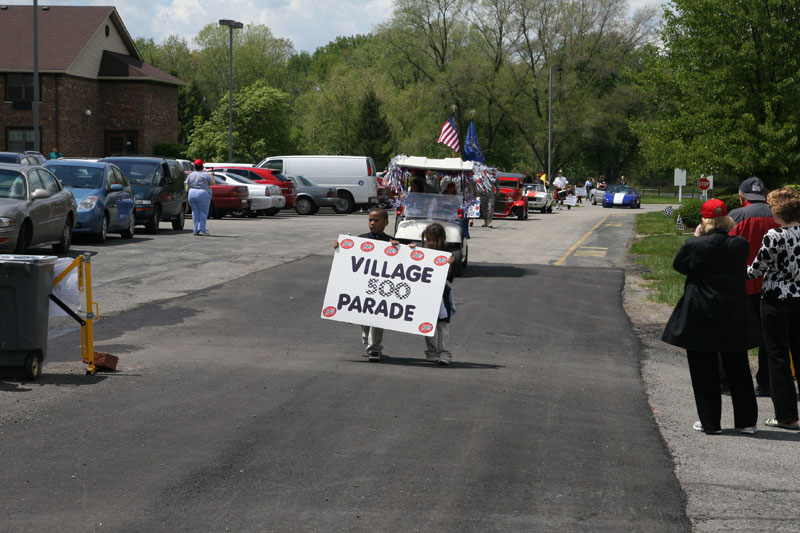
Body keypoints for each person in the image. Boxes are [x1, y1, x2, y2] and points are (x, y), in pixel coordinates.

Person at [662, 198, 759, 435]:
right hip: (733, 310)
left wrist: (697, 238)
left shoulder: (695, 245)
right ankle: (747, 421)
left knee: (703, 367)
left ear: (704, 221)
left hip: (702, 309)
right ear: (726, 219)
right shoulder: (740, 245)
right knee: (738, 365)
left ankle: (710, 422)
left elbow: (680, 266)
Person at [747, 187, 800, 431]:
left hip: (776, 299)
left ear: (777, 210)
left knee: (777, 356)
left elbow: (757, 269)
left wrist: (737, 269)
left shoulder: (774, 235)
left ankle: (787, 416)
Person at [728, 177, 779, 396]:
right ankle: (766, 384)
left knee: (733, 335)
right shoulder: (779, 216)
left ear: (742, 196)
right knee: (770, 339)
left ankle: (729, 382)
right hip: (772, 286)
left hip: (741, 284)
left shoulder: (736, 216)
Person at [333, 208, 397, 362]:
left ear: (386, 222)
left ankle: (374, 348)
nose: (372, 223)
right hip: (363, 287)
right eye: (370, 220)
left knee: (377, 317)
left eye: (376, 220)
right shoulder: (360, 240)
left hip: (381, 288)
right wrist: (339, 246)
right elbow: (348, 260)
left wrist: (400, 247)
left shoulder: (392, 242)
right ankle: (366, 335)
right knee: (365, 319)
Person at [419, 223, 456, 365]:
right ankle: (432, 351)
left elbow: (448, 277)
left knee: (442, 325)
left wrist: (450, 264)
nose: (430, 243)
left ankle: (444, 353)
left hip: (441, 295)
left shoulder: (448, 255)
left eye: (433, 240)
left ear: (442, 239)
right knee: (427, 324)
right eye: (428, 240)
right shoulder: (422, 253)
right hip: (426, 294)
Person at [185, 159, 214, 236]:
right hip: (202, 193)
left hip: (192, 193)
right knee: (203, 212)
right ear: (202, 166)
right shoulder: (206, 174)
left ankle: (196, 229)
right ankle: (202, 229)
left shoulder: (191, 175)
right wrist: (212, 176)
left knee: (195, 212)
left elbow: (187, 187)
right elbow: (212, 183)